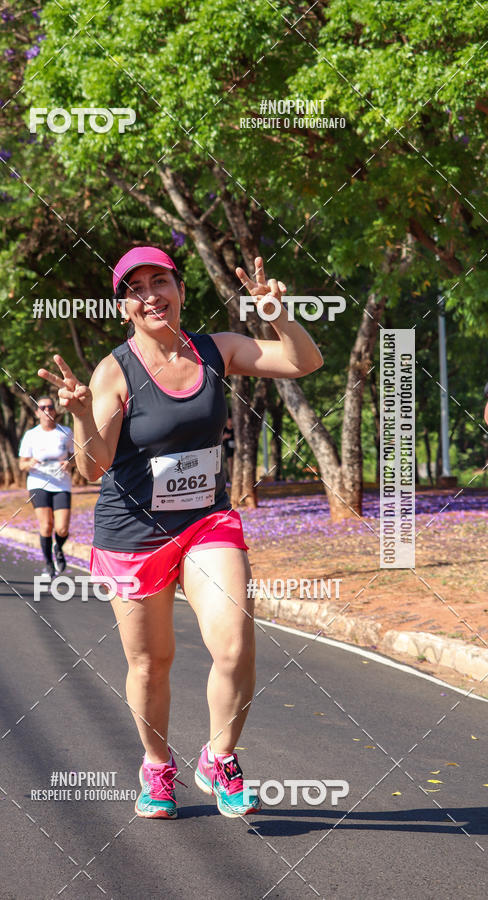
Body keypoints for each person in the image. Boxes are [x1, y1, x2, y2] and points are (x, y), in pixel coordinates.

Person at [38, 247, 323, 820]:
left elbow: (302, 363)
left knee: (236, 643)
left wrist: (277, 315)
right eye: (136, 287)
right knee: (151, 663)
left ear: (180, 289)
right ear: (125, 307)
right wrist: (80, 415)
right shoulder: (114, 371)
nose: (150, 294)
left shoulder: (215, 349)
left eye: (159, 281)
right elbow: (93, 467)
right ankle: (156, 766)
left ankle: (220, 758)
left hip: (204, 521)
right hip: (133, 533)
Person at [18, 398, 75, 579]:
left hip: (61, 483)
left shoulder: (65, 432)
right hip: (38, 483)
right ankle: (49, 564)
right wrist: (30, 463)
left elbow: (75, 457)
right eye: (42, 407)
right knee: (46, 525)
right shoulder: (31, 435)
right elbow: (21, 465)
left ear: (55, 410)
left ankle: (58, 546)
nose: (47, 410)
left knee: (62, 528)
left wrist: (69, 463)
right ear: (37, 413)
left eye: (50, 407)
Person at [222, 415, 235, 483]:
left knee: (234, 464)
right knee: (229, 464)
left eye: (231, 420)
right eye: (229, 420)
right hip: (227, 450)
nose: (231, 421)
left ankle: (234, 479)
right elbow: (220, 440)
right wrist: (225, 437)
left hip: (235, 450)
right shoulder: (224, 430)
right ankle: (231, 479)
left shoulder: (235, 430)